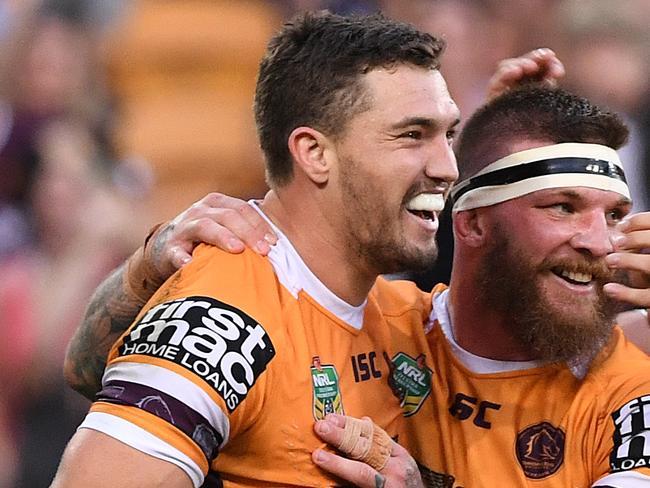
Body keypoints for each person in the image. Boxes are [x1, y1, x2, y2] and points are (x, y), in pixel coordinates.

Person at [65, 85, 650, 488]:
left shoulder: (629, 393)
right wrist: (154, 261)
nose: (600, 242)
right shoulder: (364, 317)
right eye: (563, 208)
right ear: (472, 223)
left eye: (616, 215)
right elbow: (91, 369)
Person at [51, 10, 463, 487]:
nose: (447, 166)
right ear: (314, 153)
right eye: (412, 136)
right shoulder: (228, 317)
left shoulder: (397, 314)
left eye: (448, 134)